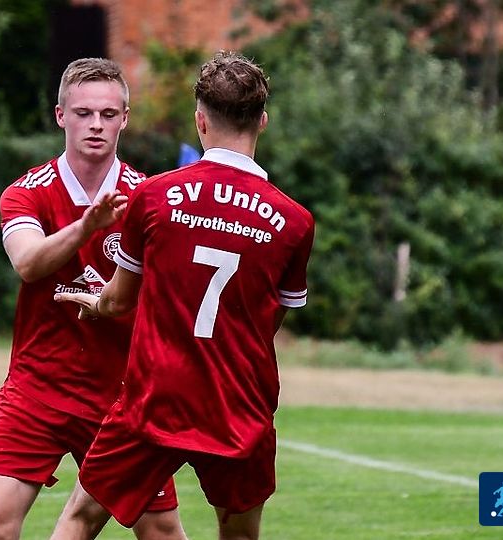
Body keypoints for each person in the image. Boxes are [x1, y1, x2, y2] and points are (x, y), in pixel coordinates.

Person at [50, 51, 315, 540]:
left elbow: (119, 301)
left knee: (80, 519)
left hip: (156, 397)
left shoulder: (153, 196)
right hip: (239, 403)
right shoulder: (294, 221)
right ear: (262, 120)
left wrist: (97, 303)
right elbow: (269, 320)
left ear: (200, 120)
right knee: (240, 535)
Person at [0, 58, 185, 540]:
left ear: (124, 119)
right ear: (60, 116)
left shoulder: (149, 198)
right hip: (39, 385)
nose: (96, 125)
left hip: (121, 394)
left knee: (161, 530)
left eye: (108, 114)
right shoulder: (28, 192)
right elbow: (28, 263)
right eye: (84, 113)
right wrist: (87, 226)